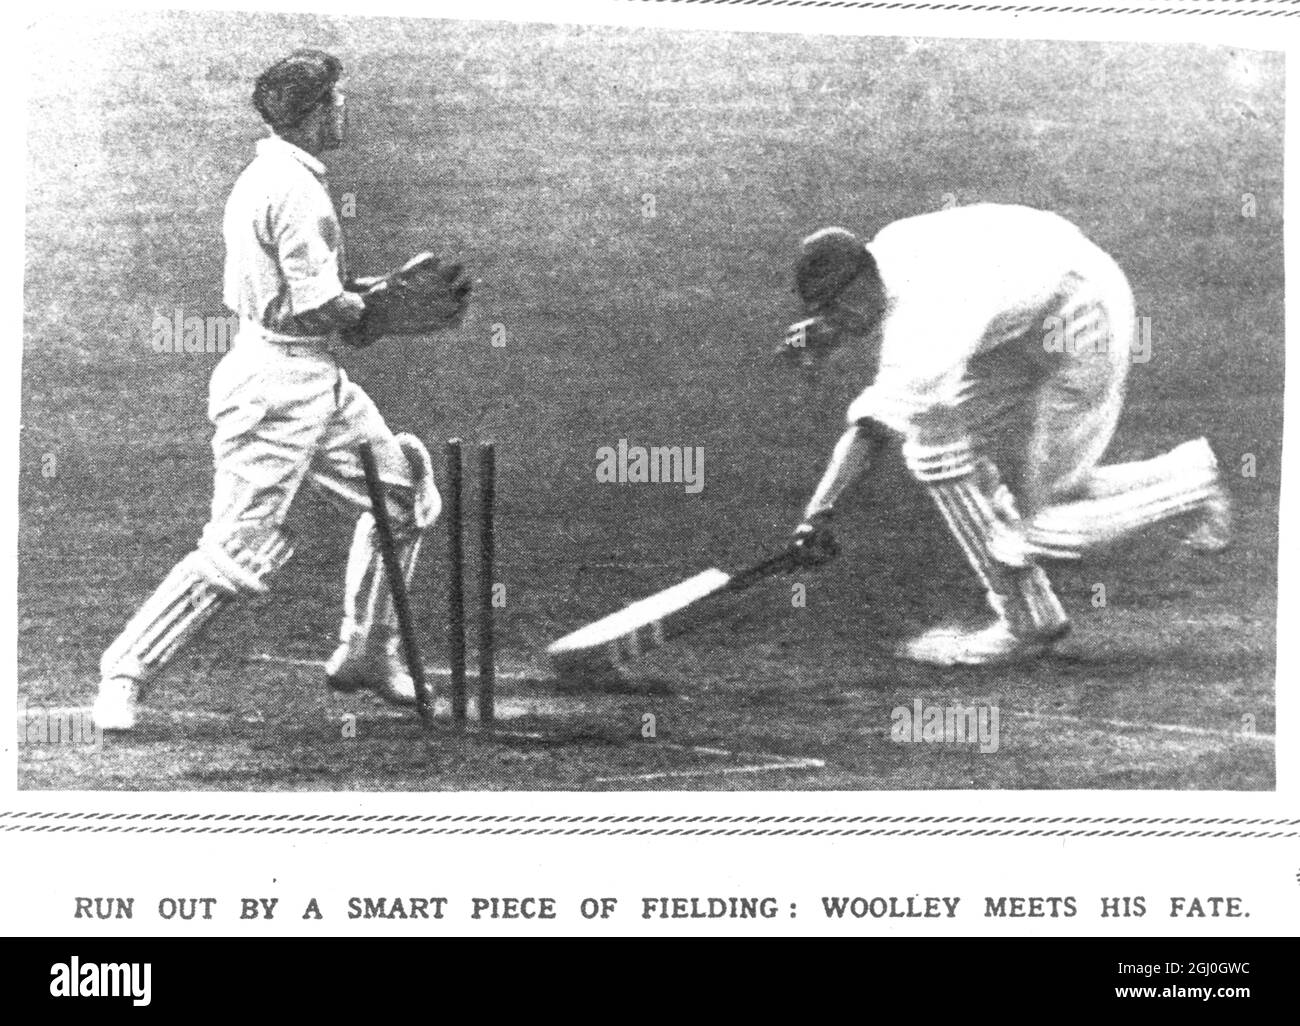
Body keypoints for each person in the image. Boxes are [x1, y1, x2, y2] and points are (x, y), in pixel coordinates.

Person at [93, 50, 440, 729]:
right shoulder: (295, 191)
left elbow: (307, 298)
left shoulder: (276, 175)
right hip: (272, 389)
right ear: (313, 114)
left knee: (403, 497)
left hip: (314, 379)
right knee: (239, 551)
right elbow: (316, 308)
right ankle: (124, 673)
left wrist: (368, 298)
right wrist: (381, 309)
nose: (345, 109)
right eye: (337, 100)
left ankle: (366, 652)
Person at [781, 203, 1230, 666]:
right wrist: (832, 327)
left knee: (1047, 523)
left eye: (834, 308)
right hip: (1020, 310)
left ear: (857, 286)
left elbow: (872, 432)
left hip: (1083, 314)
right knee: (934, 446)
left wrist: (819, 513)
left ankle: (1192, 485)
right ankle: (1027, 623)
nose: (831, 319)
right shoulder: (881, 253)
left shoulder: (927, 320)